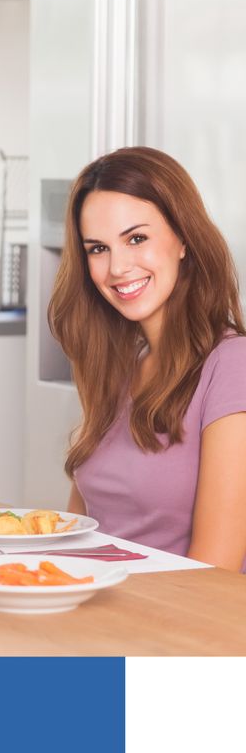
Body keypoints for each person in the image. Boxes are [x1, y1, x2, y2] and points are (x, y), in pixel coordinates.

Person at [48, 146, 246, 571]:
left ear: (183, 239)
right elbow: (77, 532)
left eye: (136, 239)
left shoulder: (233, 366)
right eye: (97, 249)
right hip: (90, 597)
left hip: (170, 611)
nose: (117, 267)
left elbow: (214, 571)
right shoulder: (118, 367)